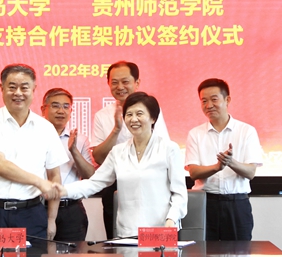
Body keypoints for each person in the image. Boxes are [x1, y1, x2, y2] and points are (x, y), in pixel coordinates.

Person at [55, 92, 187, 238]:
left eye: (139, 114)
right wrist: (61, 190)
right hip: (127, 232)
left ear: (153, 118)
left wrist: (171, 219)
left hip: (161, 230)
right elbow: (94, 183)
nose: (133, 119)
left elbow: (180, 193)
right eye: (129, 114)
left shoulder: (169, 149)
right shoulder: (118, 152)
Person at [0, 64, 68, 241]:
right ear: (1, 88)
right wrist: (39, 182)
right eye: (12, 87)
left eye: (24, 87)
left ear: (34, 89)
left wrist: (51, 219)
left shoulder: (46, 128)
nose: (18, 93)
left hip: (31, 214)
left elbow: (54, 175)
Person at [91, 61, 170, 238]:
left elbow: (162, 147)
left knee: (153, 241)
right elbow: (99, 158)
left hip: (150, 181)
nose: (120, 87)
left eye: (125, 81)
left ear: (137, 82)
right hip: (115, 182)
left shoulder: (151, 110)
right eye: (114, 82)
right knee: (117, 238)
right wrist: (116, 129)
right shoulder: (102, 115)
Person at [184, 78, 263, 241]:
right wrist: (217, 167)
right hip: (205, 203)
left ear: (227, 100)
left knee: (239, 253)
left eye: (214, 99)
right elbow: (193, 172)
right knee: (202, 253)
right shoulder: (195, 134)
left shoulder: (246, 131)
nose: (208, 105)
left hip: (237, 205)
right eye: (204, 101)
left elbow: (250, 172)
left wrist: (230, 162)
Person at [41, 88, 95, 241]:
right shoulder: (33, 137)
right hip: (38, 207)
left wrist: (74, 151)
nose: (61, 111)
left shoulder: (80, 139)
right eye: (55, 106)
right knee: (37, 254)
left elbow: (90, 176)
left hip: (70, 209)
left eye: (66, 106)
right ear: (43, 109)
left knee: (73, 255)